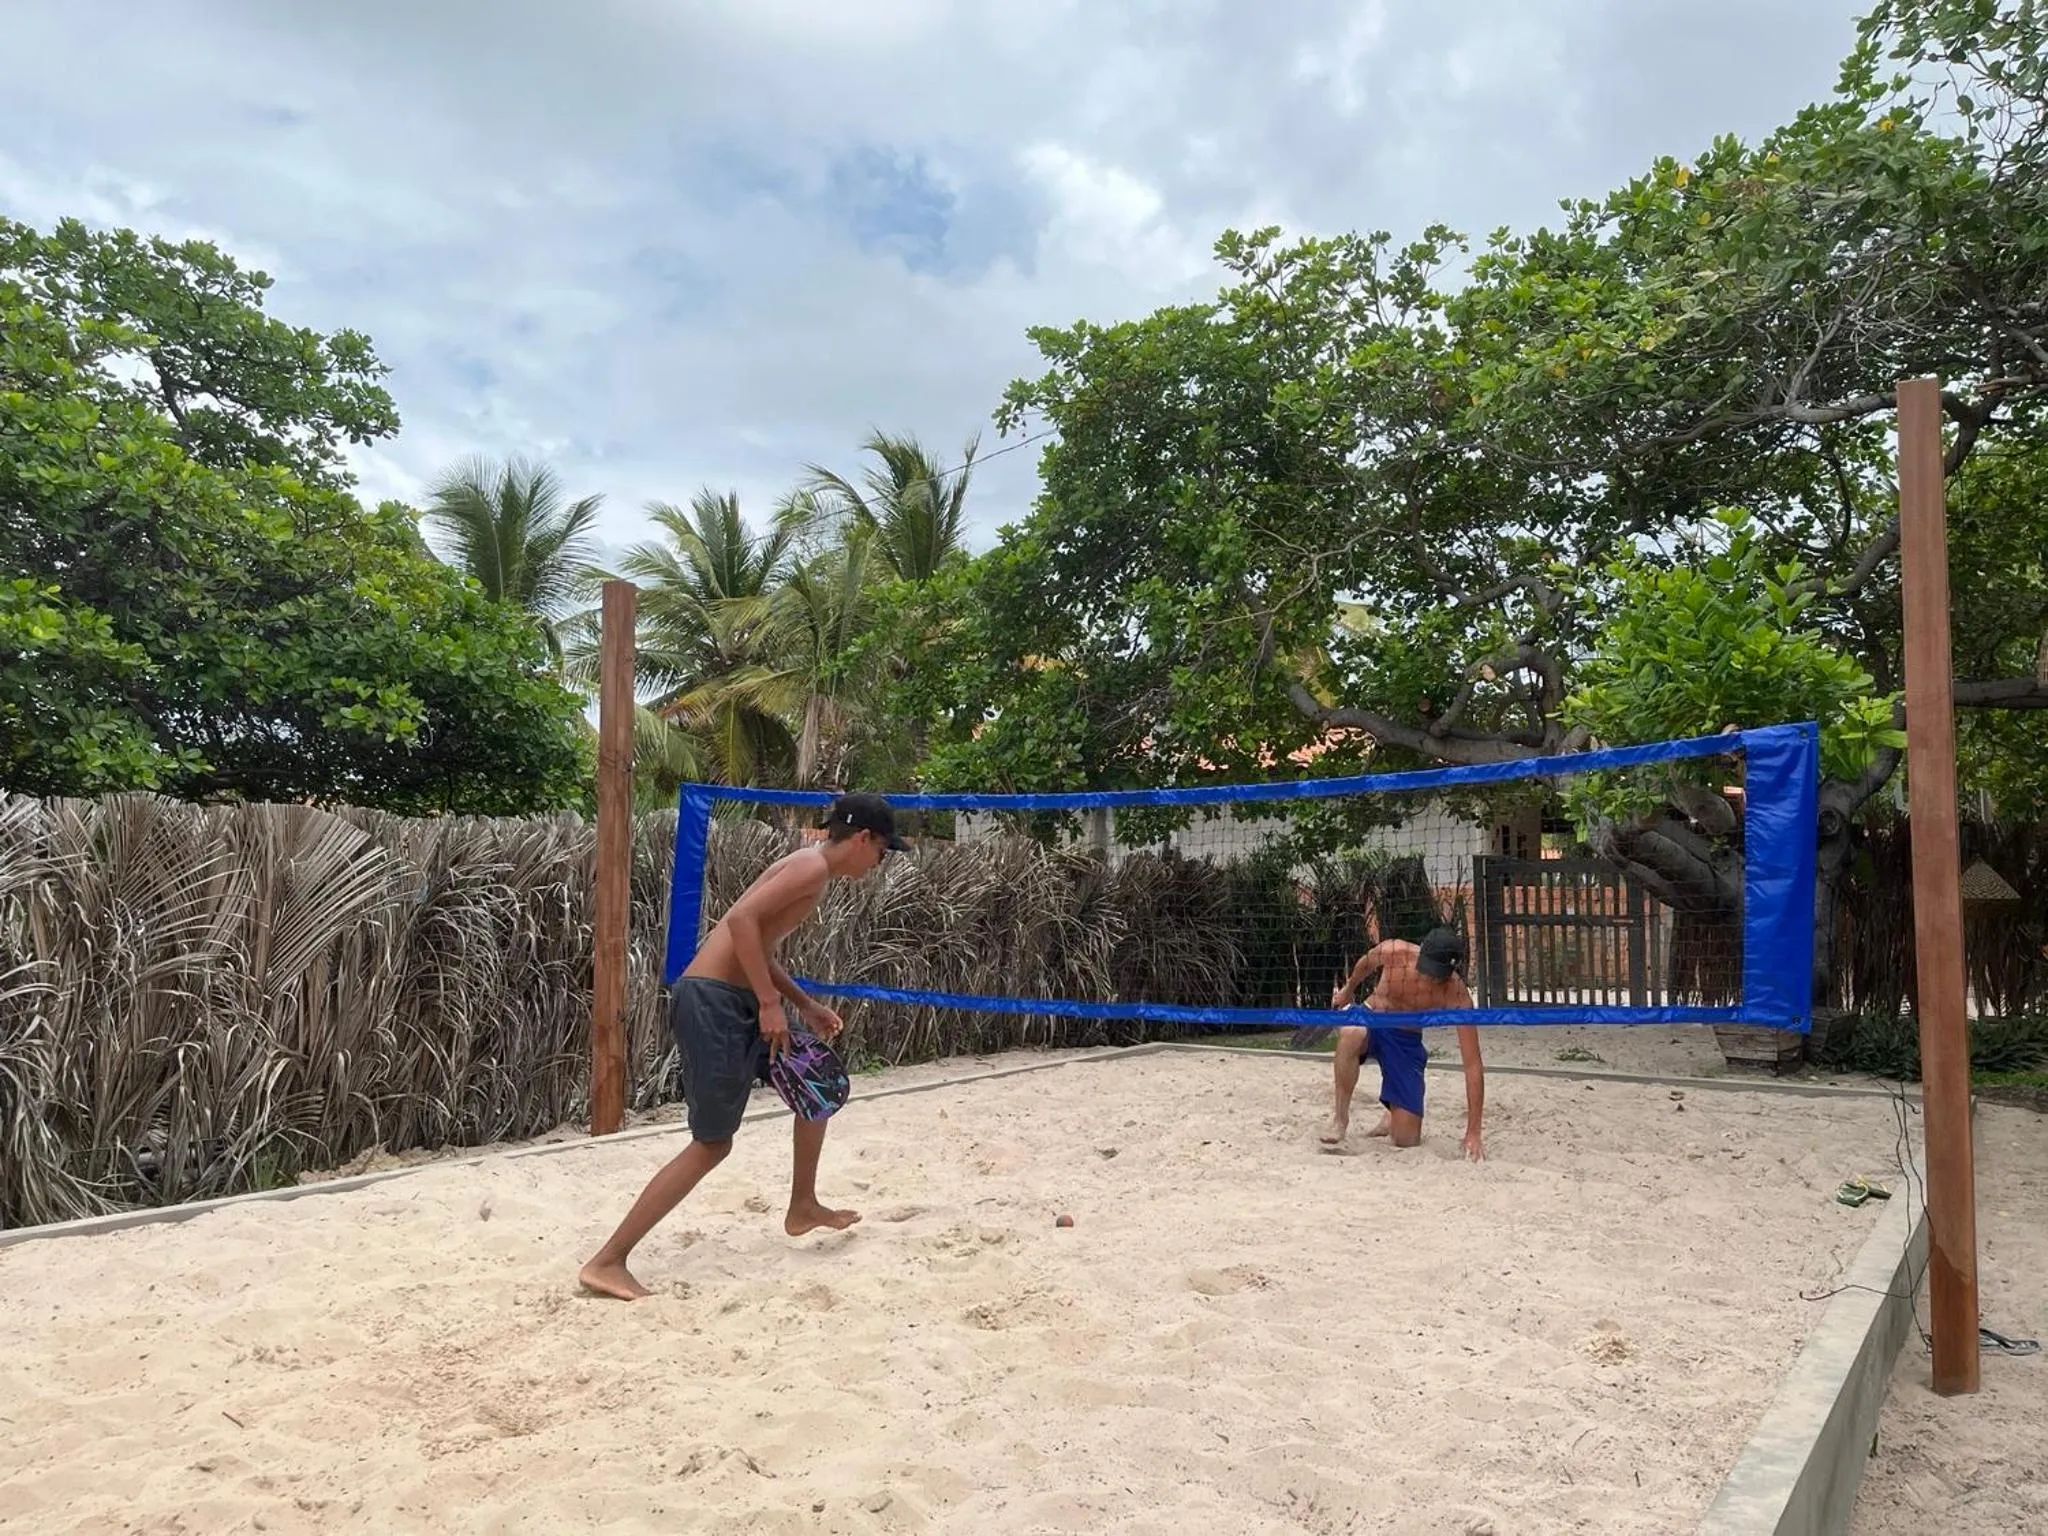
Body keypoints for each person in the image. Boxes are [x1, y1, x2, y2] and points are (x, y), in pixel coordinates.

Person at [578, 792, 907, 1301]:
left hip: (737, 999)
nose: (878, 863)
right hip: (714, 1003)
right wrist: (769, 1004)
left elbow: (755, 943)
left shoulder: (809, 867)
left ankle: (803, 1205)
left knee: (815, 1084)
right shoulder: (811, 869)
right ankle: (607, 1261)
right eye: (882, 852)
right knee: (713, 1143)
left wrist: (802, 1004)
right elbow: (738, 924)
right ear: (863, 838)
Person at [1320, 926, 1485, 1160]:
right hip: (1373, 1018)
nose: (1431, 977)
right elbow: (1365, 963)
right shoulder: (1396, 952)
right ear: (1422, 952)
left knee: (1406, 1139)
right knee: (1351, 1032)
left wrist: (1473, 1133)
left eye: (1439, 974)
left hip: (1405, 1040)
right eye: (1429, 969)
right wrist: (1348, 989)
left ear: (1451, 971)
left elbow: (1473, 1065)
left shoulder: (1457, 995)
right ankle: (1340, 1119)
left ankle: (1393, 1113)